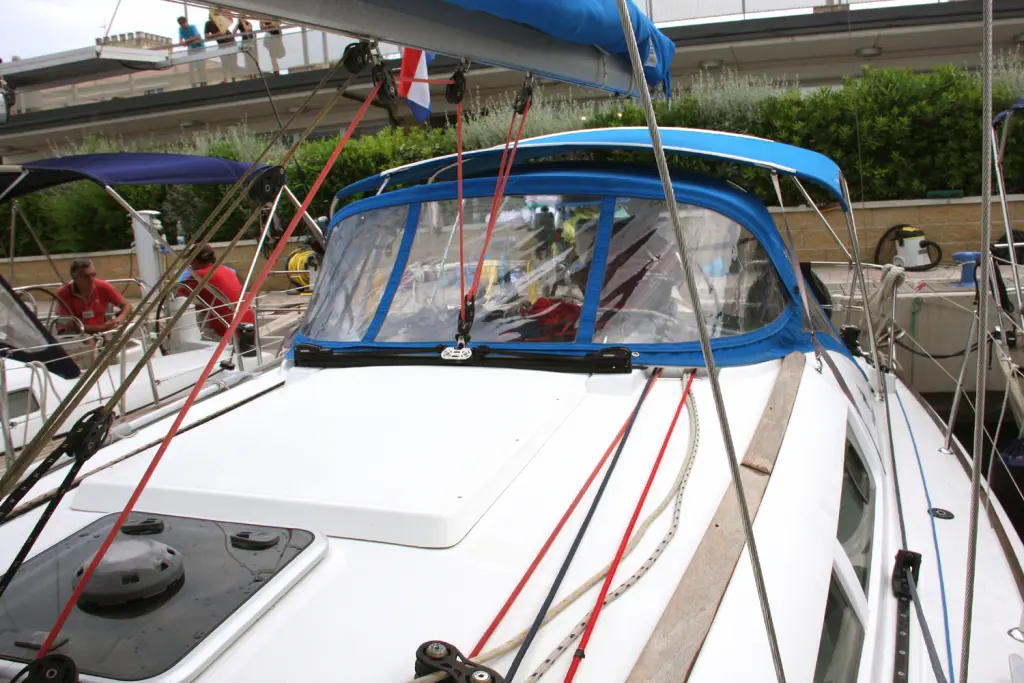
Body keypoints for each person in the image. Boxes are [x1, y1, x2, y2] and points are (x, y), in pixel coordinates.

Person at [180, 245, 254, 340]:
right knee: (203, 315)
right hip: (248, 327)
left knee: (192, 336)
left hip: (228, 331)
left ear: (195, 261)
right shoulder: (227, 271)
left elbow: (178, 299)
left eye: (190, 262)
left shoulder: (199, 275)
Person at [55, 259, 133, 336]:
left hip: (100, 333)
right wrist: (102, 328)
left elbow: (127, 305)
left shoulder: (103, 286)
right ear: (74, 278)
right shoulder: (63, 293)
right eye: (86, 276)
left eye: (93, 275)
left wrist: (118, 320)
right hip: (76, 334)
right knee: (87, 338)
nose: (92, 279)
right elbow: (70, 325)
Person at [205, 10, 238, 83]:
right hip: (221, 44)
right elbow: (206, 36)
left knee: (233, 62)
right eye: (210, 17)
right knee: (224, 62)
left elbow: (229, 22)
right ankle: (225, 79)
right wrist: (217, 34)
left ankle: (234, 79)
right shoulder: (208, 24)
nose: (212, 18)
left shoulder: (220, 20)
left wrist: (213, 35)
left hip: (231, 42)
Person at [177, 16, 208, 87]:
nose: (182, 24)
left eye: (183, 22)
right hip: (192, 49)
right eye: (180, 23)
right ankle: (201, 83)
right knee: (197, 67)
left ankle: (204, 84)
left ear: (186, 22)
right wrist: (182, 42)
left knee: (202, 67)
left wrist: (187, 41)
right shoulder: (180, 29)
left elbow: (197, 36)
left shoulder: (192, 27)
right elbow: (181, 40)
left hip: (200, 48)